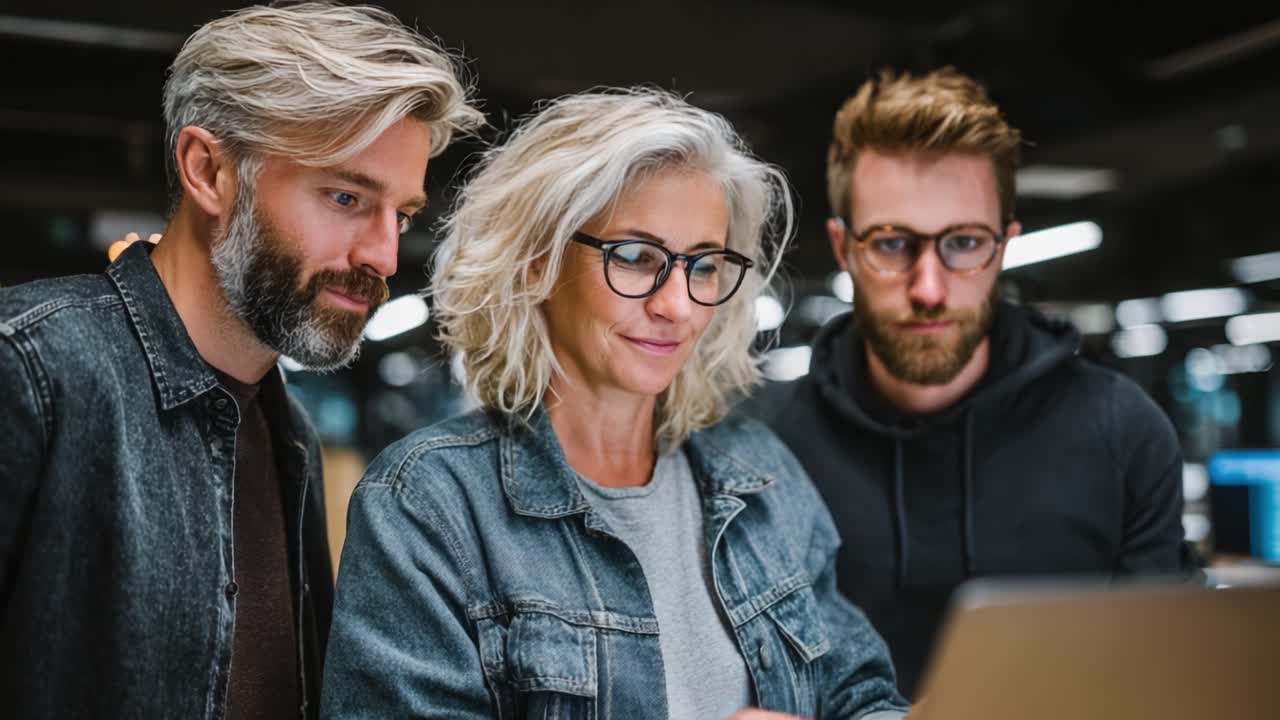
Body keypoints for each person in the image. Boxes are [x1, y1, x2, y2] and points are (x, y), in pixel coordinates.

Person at [321, 88, 910, 720]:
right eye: (635, 257)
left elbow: (861, 695)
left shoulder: (761, 477)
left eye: (705, 265)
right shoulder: (430, 506)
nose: (677, 306)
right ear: (534, 262)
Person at [0, 3, 480, 718]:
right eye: (346, 196)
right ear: (209, 170)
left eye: (401, 215)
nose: (383, 255)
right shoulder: (31, 373)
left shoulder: (291, 443)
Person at [741, 66, 1200, 699]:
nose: (929, 288)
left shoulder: (1122, 433)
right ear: (844, 249)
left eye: (963, 242)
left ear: (1005, 244)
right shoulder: (756, 449)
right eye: (893, 242)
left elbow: (1175, 683)